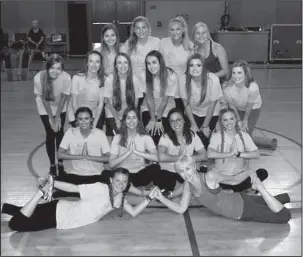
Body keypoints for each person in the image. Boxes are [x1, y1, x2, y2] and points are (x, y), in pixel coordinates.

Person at [2, 168, 159, 232]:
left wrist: (149, 198)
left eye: (124, 182)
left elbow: (133, 212)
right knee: (16, 224)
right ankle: (39, 194)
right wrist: (53, 182)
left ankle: (5, 207)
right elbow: (74, 189)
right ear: (111, 180)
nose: (121, 184)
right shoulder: (100, 188)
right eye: (118, 181)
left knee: (20, 212)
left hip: (63, 216)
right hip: (58, 214)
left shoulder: (121, 198)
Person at [153, 154, 291, 224]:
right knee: (275, 201)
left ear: (194, 167)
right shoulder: (188, 186)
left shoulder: (210, 176)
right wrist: (161, 198)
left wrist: (249, 171)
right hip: (241, 200)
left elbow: (234, 180)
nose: (186, 173)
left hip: (242, 210)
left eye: (187, 168)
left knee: (284, 216)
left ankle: (260, 187)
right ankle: (284, 197)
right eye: (181, 171)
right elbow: (181, 208)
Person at [208, 107, 268, 192]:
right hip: (223, 178)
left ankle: (232, 190)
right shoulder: (216, 136)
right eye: (225, 120)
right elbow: (209, 154)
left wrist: (239, 154)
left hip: (239, 177)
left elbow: (256, 154)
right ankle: (237, 190)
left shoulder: (244, 136)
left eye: (231, 119)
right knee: (209, 176)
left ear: (236, 119)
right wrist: (229, 154)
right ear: (221, 122)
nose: (229, 122)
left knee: (262, 173)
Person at [221, 61, 277, 150]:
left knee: (245, 131)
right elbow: (232, 106)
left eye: (239, 73)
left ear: (246, 74)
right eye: (234, 73)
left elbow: (249, 106)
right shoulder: (227, 88)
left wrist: (245, 121)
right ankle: (254, 140)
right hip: (238, 108)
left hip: (253, 109)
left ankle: (262, 142)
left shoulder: (252, 87)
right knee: (235, 130)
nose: (236, 76)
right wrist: (239, 120)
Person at [34, 54, 71, 176]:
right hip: (45, 107)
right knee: (50, 133)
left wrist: (58, 117)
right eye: (52, 68)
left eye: (58, 68)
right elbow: (45, 100)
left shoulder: (66, 78)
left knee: (59, 132)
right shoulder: (39, 78)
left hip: (60, 106)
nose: (55, 71)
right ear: (47, 67)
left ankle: (60, 163)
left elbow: (64, 98)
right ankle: (52, 164)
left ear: (62, 69)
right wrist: (51, 118)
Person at [157, 108, 207, 194]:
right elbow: (161, 157)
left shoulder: (192, 135)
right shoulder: (165, 137)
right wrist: (180, 157)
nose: (176, 123)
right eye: (172, 121)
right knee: (165, 190)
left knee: (200, 186)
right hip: (169, 169)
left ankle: (181, 191)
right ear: (169, 123)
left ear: (184, 120)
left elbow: (204, 155)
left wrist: (187, 159)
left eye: (178, 119)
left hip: (185, 170)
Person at [109, 107, 161, 189]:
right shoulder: (117, 137)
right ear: (124, 121)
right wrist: (128, 153)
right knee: (105, 174)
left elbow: (158, 158)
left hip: (139, 175)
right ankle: (134, 190)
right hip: (123, 176)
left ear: (138, 120)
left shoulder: (145, 137)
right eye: (128, 118)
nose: (131, 121)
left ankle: (129, 188)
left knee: (156, 167)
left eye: (134, 118)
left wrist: (137, 152)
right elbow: (111, 165)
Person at [57, 107, 111, 184]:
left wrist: (89, 157)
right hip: (76, 174)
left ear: (92, 119)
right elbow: (59, 155)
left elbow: (109, 158)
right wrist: (80, 156)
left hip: (96, 174)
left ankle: (77, 190)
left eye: (86, 118)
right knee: (57, 182)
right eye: (80, 119)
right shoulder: (70, 132)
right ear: (76, 120)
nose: (83, 122)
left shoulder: (100, 134)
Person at [179, 53, 223, 148]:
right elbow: (186, 105)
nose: (195, 68)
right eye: (191, 65)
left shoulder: (213, 80)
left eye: (198, 65)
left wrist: (205, 126)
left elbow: (212, 105)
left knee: (204, 142)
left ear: (204, 67)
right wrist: (193, 124)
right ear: (188, 67)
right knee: (189, 141)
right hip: (193, 113)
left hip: (210, 113)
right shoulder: (183, 79)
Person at [104, 52, 144, 142]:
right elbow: (110, 104)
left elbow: (136, 103)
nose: (123, 65)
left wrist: (132, 118)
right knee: (118, 137)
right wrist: (117, 120)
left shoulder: (135, 80)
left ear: (129, 65)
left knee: (131, 136)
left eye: (125, 62)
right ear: (115, 66)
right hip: (113, 113)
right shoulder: (109, 80)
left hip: (128, 113)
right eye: (119, 63)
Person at [141, 50, 179, 145]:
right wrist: (153, 119)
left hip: (166, 107)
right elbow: (149, 99)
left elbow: (164, 101)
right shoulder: (144, 75)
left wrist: (159, 119)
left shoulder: (171, 75)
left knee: (161, 132)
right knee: (152, 132)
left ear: (160, 62)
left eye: (154, 62)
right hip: (149, 107)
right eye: (148, 63)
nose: (151, 66)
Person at [159, 16, 194, 112]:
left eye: (178, 29)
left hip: (181, 85)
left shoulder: (190, 46)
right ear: (169, 31)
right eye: (172, 30)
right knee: (164, 111)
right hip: (165, 82)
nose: (175, 32)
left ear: (183, 29)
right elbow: (157, 62)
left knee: (180, 112)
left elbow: (192, 69)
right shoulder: (163, 43)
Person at [67, 50, 105, 129]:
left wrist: (94, 124)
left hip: (93, 116)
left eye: (97, 62)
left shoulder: (103, 80)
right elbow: (74, 104)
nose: (94, 65)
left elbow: (100, 105)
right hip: (76, 115)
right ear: (87, 63)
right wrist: (79, 122)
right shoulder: (76, 78)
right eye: (91, 61)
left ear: (101, 64)